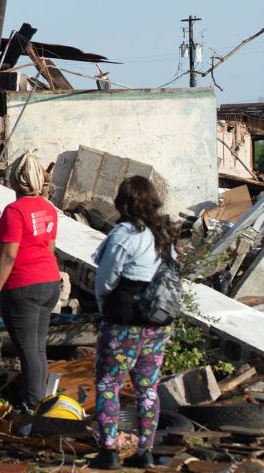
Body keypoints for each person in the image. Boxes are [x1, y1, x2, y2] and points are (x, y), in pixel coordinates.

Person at [90, 175, 178, 470]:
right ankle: (145, 451)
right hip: (157, 323)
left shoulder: (123, 234)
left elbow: (105, 280)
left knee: (108, 384)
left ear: (122, 201)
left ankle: (109, 450)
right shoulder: (164, 234)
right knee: (148, 388)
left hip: (123, 322)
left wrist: (105, 307)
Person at [0, 151, 61, 414]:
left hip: (22, 286)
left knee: (28, 352)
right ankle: (39, 404)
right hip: (50, 282)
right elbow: (50, 248)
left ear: (15, 181)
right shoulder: (49, 210)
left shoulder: (14, 211)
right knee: (38, 350)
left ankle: (32, 409)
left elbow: (9, 255)